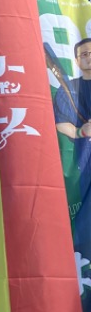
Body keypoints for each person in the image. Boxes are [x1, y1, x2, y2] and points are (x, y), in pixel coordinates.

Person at [54, 37, 91, 250]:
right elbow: (60, 122)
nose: (88, 58)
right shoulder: (70, 88)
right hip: (83, 161)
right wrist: (80, 130)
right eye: (84, 54)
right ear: (77, 61)